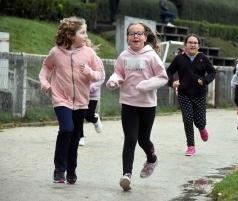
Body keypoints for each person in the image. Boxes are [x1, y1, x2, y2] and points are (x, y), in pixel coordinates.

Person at [39, 16, 103, 184]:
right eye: (83, 32)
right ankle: (59, 169)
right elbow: (46, 67)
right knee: (66, 129)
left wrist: (89, 72)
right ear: (70, 35)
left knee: (75, 136)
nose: (86, 36)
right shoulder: (56, 52)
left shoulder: (89, 53)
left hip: (81, 100)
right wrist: (45, 84)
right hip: (61, 98)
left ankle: (71, 170)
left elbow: (99, 74)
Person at [106, 22, 168, 191]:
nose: (135, 36)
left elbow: (163, 77)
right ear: (127, 37)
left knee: (143, 139)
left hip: (147, 104)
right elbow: (118, 72)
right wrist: (114, 80)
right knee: (130, 139)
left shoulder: (151, 56)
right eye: (132, 34)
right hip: (128, 103)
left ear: (145, 37)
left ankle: (152, 159)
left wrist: (146, 85)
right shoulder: (124, 56)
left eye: (139, 33)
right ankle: (126, 175)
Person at [166, 33, 216, 156]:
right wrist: (172, 82)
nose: (193, 45)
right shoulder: (179, 58)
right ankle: (191, 146)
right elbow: (169, 72)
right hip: (184, 93)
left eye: (195, 43)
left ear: (199, 46)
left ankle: (202, 128)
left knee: (199, 121)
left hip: (199, 94)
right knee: (187, 119)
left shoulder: (203, 58)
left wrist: (204, 80)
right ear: (185, 45)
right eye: (190, 42)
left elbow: (212, 72)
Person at [79, 39, 105, 146]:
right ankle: (80, 137)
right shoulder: (76, 59)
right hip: (80, 93)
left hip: (92, 94)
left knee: (88, 116)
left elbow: (101, 77)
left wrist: (91, 88)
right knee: (79, 116)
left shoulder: (97, 60)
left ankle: (95, 119)